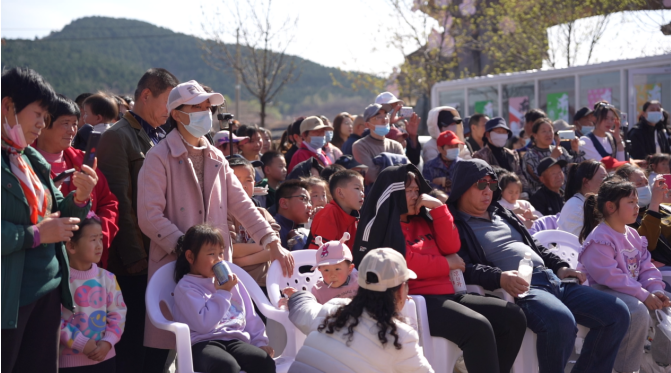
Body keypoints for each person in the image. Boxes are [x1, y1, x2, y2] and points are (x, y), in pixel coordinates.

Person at [136, 80, 293, 365]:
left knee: (229, 342)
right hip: (178, 265)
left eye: (207, 107)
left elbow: (243, 204)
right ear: (176, 113)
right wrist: (191, 251)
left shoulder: (216, 155)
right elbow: (149, 217)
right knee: (168, 353)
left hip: (216, 266)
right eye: (196, 107)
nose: (204, 112)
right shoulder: (158, 157)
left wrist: (271, 241)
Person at [447, 158, 629, 373]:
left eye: (492, 184)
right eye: (480, 184)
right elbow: (463, 267)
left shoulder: (502, 213)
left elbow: (535, 248)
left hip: (553, 279)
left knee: (617, 313)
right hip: (521, 289)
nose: (488, 190)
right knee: (561, 322)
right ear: (462, 186)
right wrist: (500, 277)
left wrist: (561, 267)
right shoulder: (454, 224)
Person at [351, 164, 526, 373]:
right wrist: (447, 264)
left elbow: (452, 247)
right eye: (409, 191)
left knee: (512, 316)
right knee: (478, 328)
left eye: (417, 190)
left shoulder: (423, 219)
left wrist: (438, 208)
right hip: (418, 300)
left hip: (448, 293)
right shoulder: (385, 226)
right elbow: (404, 263)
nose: (416, 196)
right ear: (395, 192)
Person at [2, 67, 96, 373]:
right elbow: (44, 229)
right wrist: (35, 235)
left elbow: (58, 215)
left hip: (47, 289)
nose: (42, 125)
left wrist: (79, 198)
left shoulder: (27, 158)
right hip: (10, 299)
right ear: (7, 106)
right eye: (38, 115)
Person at [97, 68, 178, 373]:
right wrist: (134, 258)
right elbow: (119, 203)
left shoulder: (164, 134)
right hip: (138, 259)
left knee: (161, 340)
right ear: (146, 95)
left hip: (164, 253)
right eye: (167, 101)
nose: (170, 110)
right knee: (134, 343)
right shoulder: (117, 137)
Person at [286, 248, 434, 373]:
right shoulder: (401, 337)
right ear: (401, 291)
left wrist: (297, 295)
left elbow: (302, 309)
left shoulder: (332, 308)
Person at [579, 179, 671, 372]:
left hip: (628, 289)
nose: (637, 207)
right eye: (630, 202)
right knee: (637, 311)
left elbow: (646, 267)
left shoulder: (633, 235)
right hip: (600, 291)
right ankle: (626, 369)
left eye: (636, 202)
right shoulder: (600, 238)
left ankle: (662, 362)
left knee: (666, 300)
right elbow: (610, 277)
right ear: (611, 206)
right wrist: (644, 295)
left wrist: (654, 289)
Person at [172, 224, 276, 373]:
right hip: (202, 344)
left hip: (235, 340)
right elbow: (204, 325)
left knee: (263, 361)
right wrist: (223, 293)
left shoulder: (231, 282)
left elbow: (249, 315)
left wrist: (259, 342)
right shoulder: (186, 288)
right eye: (211, 254)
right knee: (227, 367)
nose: (218, 260)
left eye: (220, 254)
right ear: (190, 257)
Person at [34, 94, 119, 268]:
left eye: (75, 124)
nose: (72, 130)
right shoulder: (24, 161)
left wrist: (94, 236)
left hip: (84, 264)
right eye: (65, 123)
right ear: (44, 123)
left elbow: (109, 203)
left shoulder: (83, 160)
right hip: (43, 262)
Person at [59, 215, 127, 373]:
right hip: (70, 363)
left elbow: (118, 313)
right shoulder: (59, 281)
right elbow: (55, 320)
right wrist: (81, 343)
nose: (99, 245)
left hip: (105, 358)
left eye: (100, 238)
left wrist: (108, 341)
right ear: (71, 246)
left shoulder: (108, 278)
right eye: (93, 239)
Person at [228, 156, 280, 288]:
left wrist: (243, 261)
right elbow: (230, 250)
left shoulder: (262, 213)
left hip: (267, 282)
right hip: (237, 285)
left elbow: (276, 248)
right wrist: (267, 244)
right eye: (235, 180)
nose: (243, 185)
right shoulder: (222, 214)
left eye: (249, 180)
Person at [615, 164, 671, 267]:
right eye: (639, 184)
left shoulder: (664, 207)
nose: (645, 187)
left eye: (646, 183)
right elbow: (646, 245)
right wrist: (654, 204)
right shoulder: (625, 218)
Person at [283, 234, 358, 307]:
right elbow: (309, 307)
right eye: (326, 270)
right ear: (319, 270)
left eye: (337, 269)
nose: (332, 275)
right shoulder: (319, 290)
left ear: (350, 269)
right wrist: (295, 299)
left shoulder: (359, 281)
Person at [523, 117, 585, 192]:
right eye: (544, 131)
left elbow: (577, 170)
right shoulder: (530, 155)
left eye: (550, 130)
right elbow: (538, 179)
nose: (548, 134)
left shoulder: (560, 149)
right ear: (535, 135)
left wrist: (575, 149)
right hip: (544, 199)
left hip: (564, 196)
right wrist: (553, 158)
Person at [307, 169, 364, 250]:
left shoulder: (355, 217)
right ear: (340, 192)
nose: (362, 194)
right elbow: (321, 255)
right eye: (357, 188)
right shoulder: (329, 214)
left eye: (363, 190)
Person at [473, 117, 531, 193]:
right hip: (493, 196)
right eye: (498, 132)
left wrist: (524, 191)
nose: (501, 135)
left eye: (504, 132)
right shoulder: (479, 156)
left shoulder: (513, 154)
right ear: (487, 134)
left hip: (514, 195)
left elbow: (519, 175)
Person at [352, 104, 405, 186]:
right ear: (367, 124)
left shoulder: (396, 145)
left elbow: (406, 171)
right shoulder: (360, 146)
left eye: (386, 115)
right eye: (378, 117)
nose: (384, 120)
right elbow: (372, 176)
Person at [557, 160, 607, 236]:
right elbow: (579, 243)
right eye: (603, 177)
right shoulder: (575, 206)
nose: (607, 182)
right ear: (586, 182)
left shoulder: (589, 202)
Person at [274, 179, 313, 251]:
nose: (310, 206)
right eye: (304, 199)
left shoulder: (300, 231)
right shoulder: (271, 229)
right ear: (284, 203)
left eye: (310, 201)